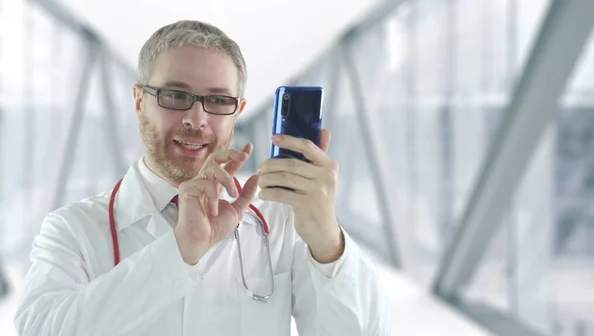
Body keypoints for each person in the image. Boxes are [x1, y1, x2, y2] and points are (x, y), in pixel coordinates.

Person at [14, 20, 390, 336]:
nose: (197, 119)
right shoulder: (72, 229)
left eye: (218, 100)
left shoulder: (282, 224)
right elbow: (39, 328)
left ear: (238, 110)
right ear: (139, 99)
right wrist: (178, 252)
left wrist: (327, 240)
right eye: (175, 96)